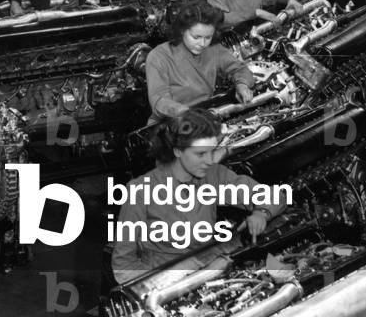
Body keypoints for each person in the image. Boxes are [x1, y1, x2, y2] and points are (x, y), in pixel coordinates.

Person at [110, 108, 285, 283]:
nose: (209, 160)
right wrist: (155, 290)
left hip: (207, 269)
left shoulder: (213, 175)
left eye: (211, 151)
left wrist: (262, 213)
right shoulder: (140, 190)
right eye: (200, 154)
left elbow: (276, 196)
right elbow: (123, 265)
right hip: (164, 278)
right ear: (177, 151)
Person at [146, 0, 254, 125]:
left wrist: (242, 85)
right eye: (196, 37)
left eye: (208, 38)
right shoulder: (159, 56)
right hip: (170, 123)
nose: (202, 44)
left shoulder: (214, 49)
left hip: (205, 115)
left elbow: (239, 69)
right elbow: (159, 100)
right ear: (182, 31)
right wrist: (186, 113)